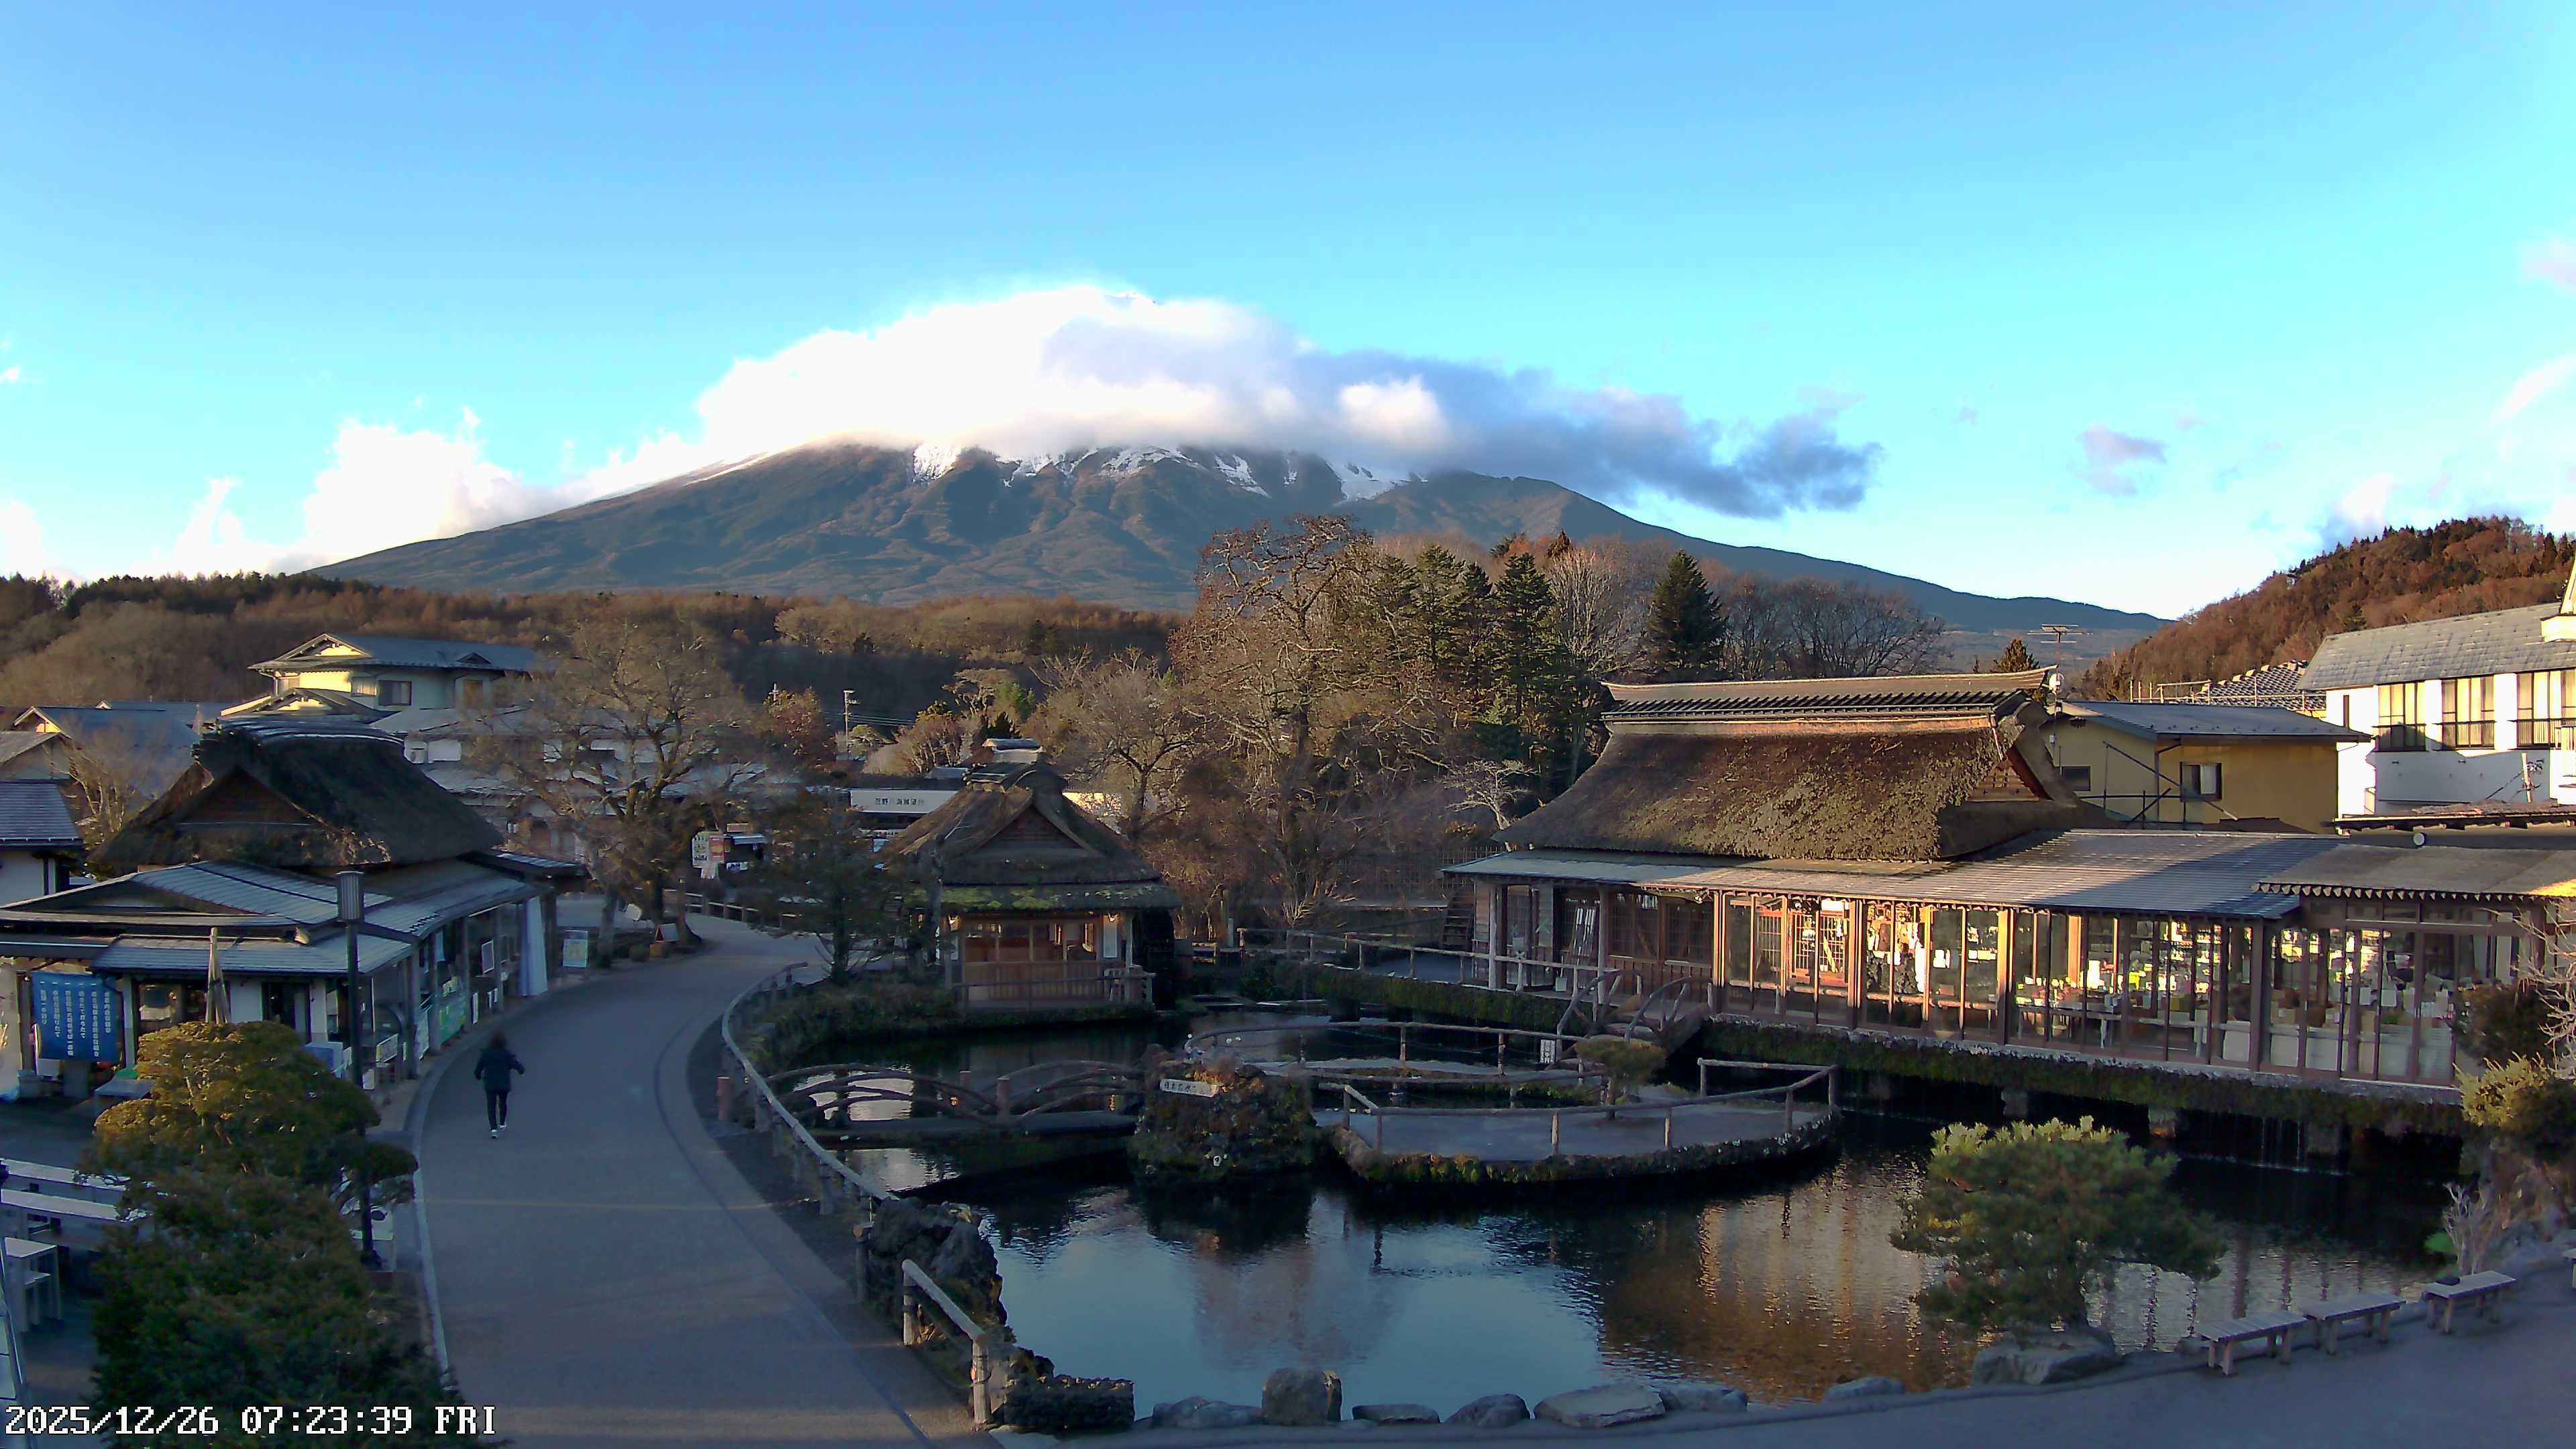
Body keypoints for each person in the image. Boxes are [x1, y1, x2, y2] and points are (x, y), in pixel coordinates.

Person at [475, 1031, 526, 1138]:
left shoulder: (486, 1053)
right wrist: (521, 1071)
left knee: (491, 1105)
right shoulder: (506, 1054)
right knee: (503, 1103)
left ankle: (493, 1128)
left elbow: (479, 1067)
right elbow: (515, 1064)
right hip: (503, 1083)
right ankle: (502, 1122)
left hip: (490, 1083)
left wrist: (478, 1075)